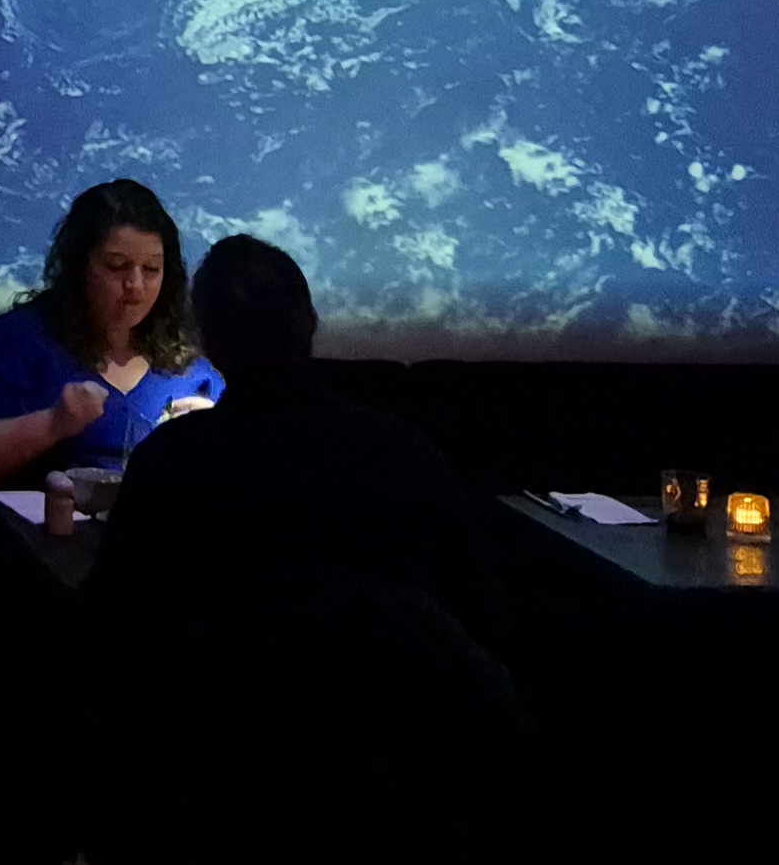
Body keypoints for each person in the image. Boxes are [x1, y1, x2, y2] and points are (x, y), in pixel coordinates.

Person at [80, 237, 521, 865]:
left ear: (207, 340)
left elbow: (114, 636)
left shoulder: (174, 462)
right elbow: (482, 616)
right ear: (309, 324)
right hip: (395, 784)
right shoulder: (403, 452)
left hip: (211, 787)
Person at [0, 179, 221, 488]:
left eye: (152, 269)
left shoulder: (184, 350)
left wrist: (212, 430)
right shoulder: (26, 337)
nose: (136, 286)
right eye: (117, 266)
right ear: (79, 267)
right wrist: (54, 423)